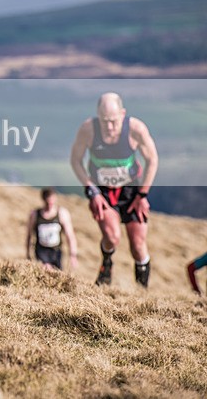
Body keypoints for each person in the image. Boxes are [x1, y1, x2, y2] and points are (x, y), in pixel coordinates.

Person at [70, 92, 158, 287]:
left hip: (131, 191)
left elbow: (152, 160)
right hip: (103, 191)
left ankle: (142, 291)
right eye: (104, 121)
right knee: (112, 237)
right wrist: (92, 190)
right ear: (97, 116)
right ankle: (107, 264)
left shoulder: (136, 129)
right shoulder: (88, 130)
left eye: (114, 121)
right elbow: (75, 160)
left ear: (123, 114)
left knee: (138, 245)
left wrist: (143, 194)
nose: (109, 127)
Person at [25, 187, 78, 271]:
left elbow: (70, 236)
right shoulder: (35, 214)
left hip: (56, 253)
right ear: (43, 200)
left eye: (52, 202)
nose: (50, 205)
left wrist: (73, 255)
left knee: (56, 274)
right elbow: (29, 235)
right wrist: (28, 253)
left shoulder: (62, 214)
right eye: (48, 202)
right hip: (41, 251)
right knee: (44, 271)